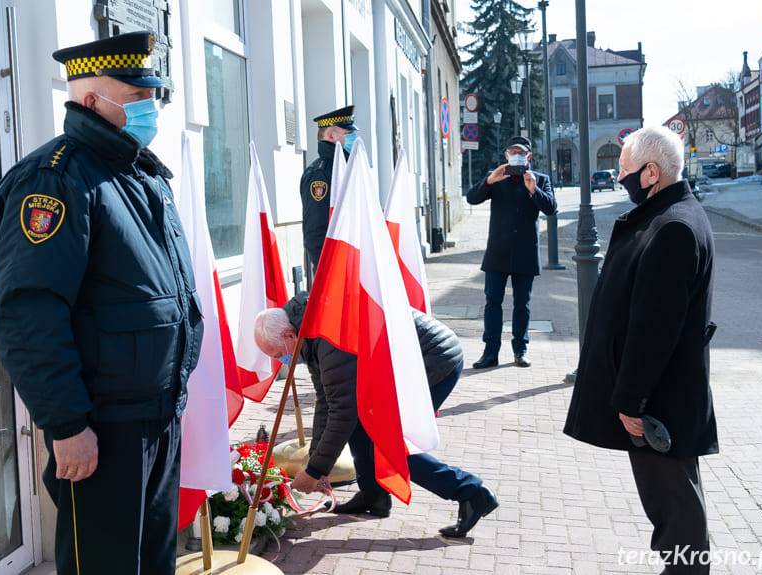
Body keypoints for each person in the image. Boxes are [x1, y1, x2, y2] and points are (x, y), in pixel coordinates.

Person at [0, 32, 203, 574]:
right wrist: (66, 425)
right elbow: (29, 312)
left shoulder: (138, 173)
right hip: (101, 429)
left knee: (153, 564)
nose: (149, 108)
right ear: (91, 101)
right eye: (136, 98)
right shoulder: (57, 180)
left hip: (155, 416)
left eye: (151, 95)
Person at [564, 126, 718, 574]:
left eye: (625, 169)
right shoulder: (667, 216)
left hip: (659, 402)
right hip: (663, 397)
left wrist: (631, 399)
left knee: (675, 512)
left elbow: (655, 328)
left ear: (652, 172)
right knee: (676, 507)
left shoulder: (672, 227)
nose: (619, 177)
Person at [254, 293, 498, 538]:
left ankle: (471, 493)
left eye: (278, 354)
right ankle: (374, 496)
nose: (281, 360)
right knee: (362, 426)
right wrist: (315, 463)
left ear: (288, 335)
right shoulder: (308, 331)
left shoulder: (326, 336)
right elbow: (326, 401)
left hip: (432, 360)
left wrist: (315, 471)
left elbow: (342, 412)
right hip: (405, 363)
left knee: (389, 446)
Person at [467, 136, 557, 369]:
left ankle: (520, 350)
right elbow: (472, 198)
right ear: (506, 155)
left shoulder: (540, 179)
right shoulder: (497, 177)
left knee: (522, 304)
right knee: (492, 302)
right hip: (497, 252)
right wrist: (489, 181)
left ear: (529, 156)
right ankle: (490, 352)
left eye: (521, 152)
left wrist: (534, 189)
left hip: (526, 252)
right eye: (512, 152)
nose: (516, 155)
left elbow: (551, 208)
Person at [300, 105, 358, 268]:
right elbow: (315, 231)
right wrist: (327, 272)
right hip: (335, 268)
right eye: (348, 134)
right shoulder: (319, 174)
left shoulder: (348, 168)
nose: (354, 138)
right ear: (332, 136)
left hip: (352, 262)